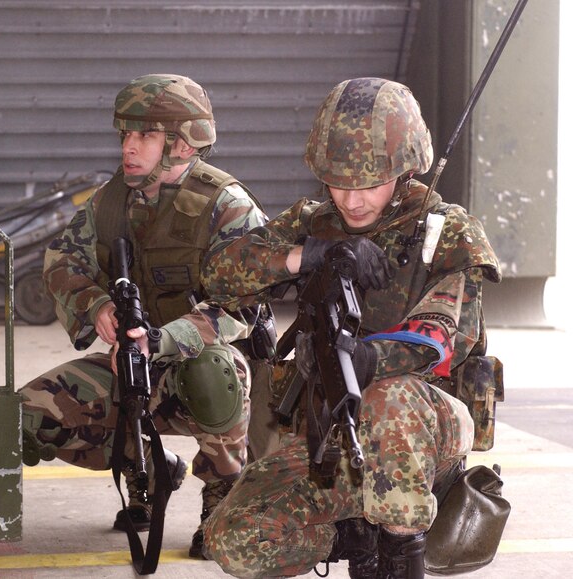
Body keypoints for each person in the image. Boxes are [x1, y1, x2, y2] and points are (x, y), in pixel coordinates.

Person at [199, 77, 502, 578]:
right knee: (234, 538)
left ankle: (400, 548)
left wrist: (365, 358)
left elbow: (440, 337)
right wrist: (309, 255)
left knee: (390, 397)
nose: (352, 200)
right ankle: (360, 535)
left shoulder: (446, 232)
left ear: (405, 171)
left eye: (369, 184)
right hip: (336, 440)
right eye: (339, 183)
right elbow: (218, 274)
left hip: (424, 434)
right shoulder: (312, 223)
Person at [18, 73, 270, 557]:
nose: (128, 147)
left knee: (212, 372)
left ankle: (223, 500)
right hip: (133, 362)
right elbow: (61, 262)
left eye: (146, 135)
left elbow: (241, 305)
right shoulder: (113, 200)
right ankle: (152, 470)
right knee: (26, 417)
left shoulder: (227, 205)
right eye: (125, 134)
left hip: (212, 367)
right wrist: (97, 305)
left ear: (182, 144)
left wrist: (159, 340)